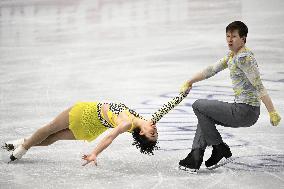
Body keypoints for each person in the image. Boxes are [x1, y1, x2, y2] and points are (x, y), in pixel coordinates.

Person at [178, 21, 281, 172]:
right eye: (227, 36)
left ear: (243, 39)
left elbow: (259, 86)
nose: (230, 40)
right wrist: (189, 81)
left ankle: (219, 147)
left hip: (246, 111)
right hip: (241, 109)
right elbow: (211, 69)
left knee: (198, 105)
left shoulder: (244, 58)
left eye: (234, 36)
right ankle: (195, 156)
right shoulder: (233, 56)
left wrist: (272, 111)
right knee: (204, 116)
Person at [2, 102, 158, 165]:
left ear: (142, 133)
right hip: (92, 128)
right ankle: (22, 143)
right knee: (54, 138)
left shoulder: (127, 124)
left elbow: (110, 137)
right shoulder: (146, 121)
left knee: (50, 128)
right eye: (156, 133)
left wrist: (94, 153)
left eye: (152, 134)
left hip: (86, 114)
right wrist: (183, 93)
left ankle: (23, 148)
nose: (155, 130)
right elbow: (168, 106)